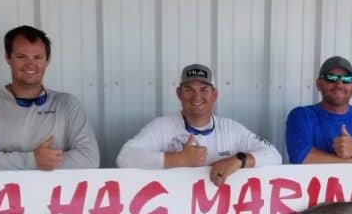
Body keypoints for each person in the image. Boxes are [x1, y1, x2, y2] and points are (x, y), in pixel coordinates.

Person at [0, 25, 100, 171]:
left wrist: (45, 160)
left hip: (57, 194)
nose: (30, 64)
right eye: (21, 57)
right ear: (8, 58)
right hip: (6, 194)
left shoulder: (68, 105)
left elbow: (90, 158)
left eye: (37, 57)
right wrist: (33, 160)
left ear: (48, 60)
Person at [116, 64, 281, 185]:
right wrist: (179, 159)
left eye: (204, 90)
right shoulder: (162, 126)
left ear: (214, 94)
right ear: (179, 94)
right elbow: (124, 158)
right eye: (189, 90)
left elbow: (274, 155)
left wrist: (237, 161)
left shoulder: (231, 129)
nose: (196, 97)